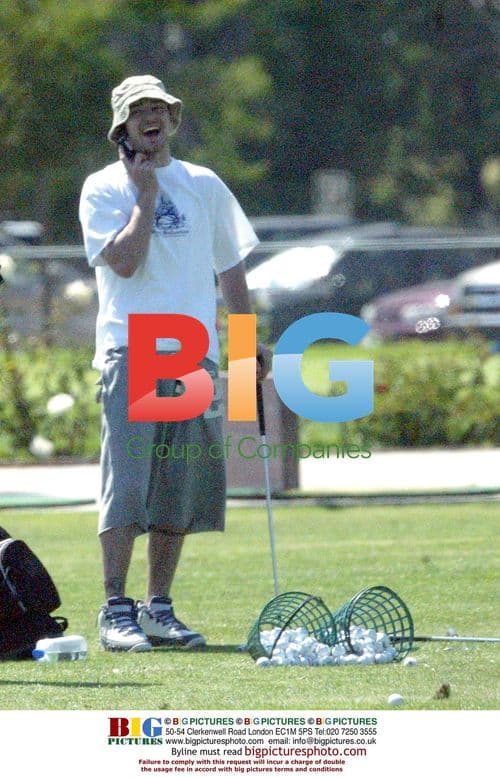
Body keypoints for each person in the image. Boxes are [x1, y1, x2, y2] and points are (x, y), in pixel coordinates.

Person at [79, 75, 271, 652]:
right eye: (138, 109)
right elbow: (125, 263)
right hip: (132, 347)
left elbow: (230, 269)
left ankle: (158, 608)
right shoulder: (102, 187)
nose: (151, 116)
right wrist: (144, 195)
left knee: (177, 488)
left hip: (193, 354)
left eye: (159, 107)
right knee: (128, 485)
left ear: (173, 119)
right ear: (122, 128)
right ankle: (116, 610)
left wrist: (244, 344)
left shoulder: (204, 184)